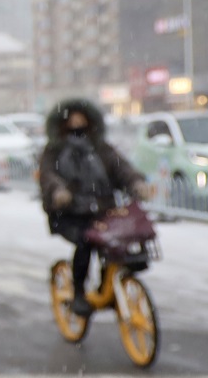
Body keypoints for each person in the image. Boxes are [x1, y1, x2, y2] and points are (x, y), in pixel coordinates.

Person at [38, 97, 146, 317]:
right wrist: (59, 193)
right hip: (68, 214)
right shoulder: (54, 151)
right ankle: (78, 292)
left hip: (101, 210)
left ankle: (109, 286)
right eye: (72, 118)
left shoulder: (101, 148)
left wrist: (136, 183)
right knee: (85, 241)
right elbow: (48, 176)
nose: (77, 122)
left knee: (117, 242)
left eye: (81, 117)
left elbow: (121, 168)